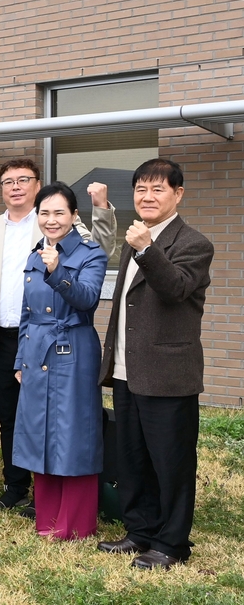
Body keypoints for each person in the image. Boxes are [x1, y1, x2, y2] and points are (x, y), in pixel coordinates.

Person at [0, 158, 116, 517]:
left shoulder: (55, 224)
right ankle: (17, 486)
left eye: (23, 180)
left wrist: (102, 208)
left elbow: (101, 247)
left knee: (55, 418)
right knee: (13, 417)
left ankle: (44, 493)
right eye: (8, 182)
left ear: (37, 187)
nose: (15, 187)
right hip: (1, 337)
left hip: (55, 338)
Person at [97, 159, 213, 570]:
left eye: (158, 189)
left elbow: (176, 289)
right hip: (129, 370)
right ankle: (140, 531)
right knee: (133, 457)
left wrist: (147, 249)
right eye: (141, 189)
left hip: (167, 373)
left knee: (172, 462)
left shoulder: (193, 243)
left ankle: (172, 543)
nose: (147, 197)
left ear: (178, 194)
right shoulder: (134, 240)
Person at [13, 182, 108, 540]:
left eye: (59, 213)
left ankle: (76, 524)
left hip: (73, 347)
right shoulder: (34, 252)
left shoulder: (90, 253)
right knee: (39, 431)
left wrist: (57, 273)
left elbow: (87, 300)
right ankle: (47, 518)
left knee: (73, 432)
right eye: (44, 213)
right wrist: (21, 359)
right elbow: (27, 311)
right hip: (37, 350)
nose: (51, 220)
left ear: (74, 215)